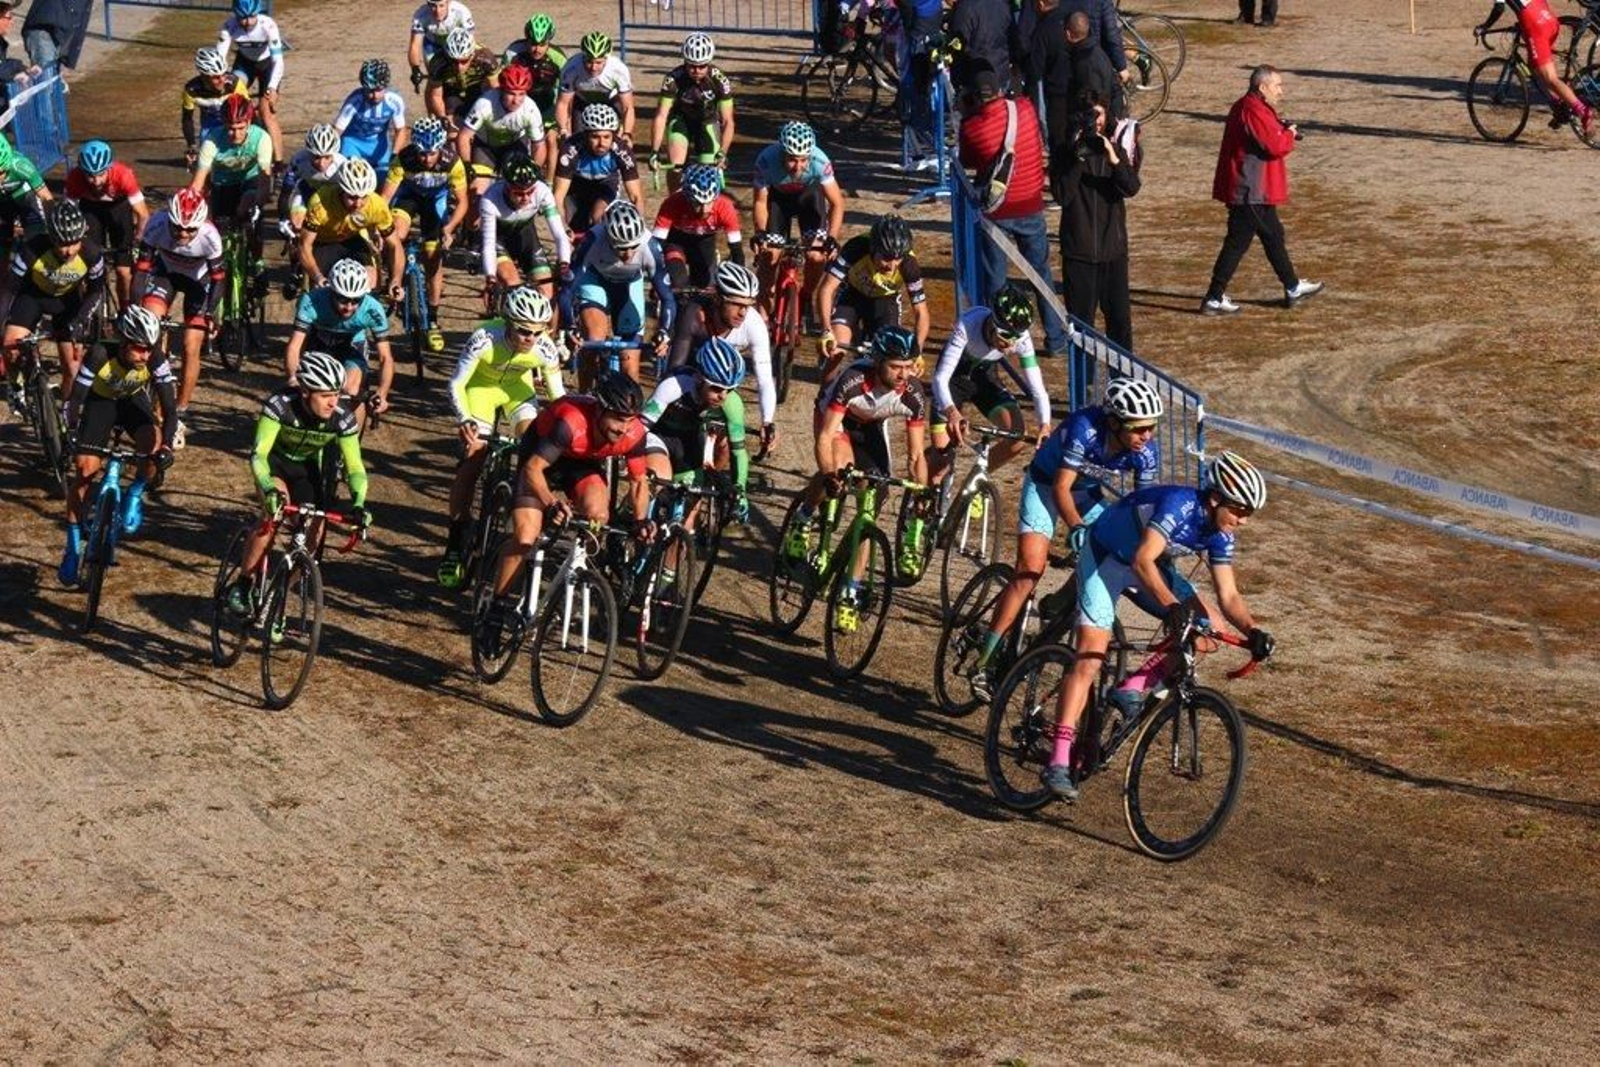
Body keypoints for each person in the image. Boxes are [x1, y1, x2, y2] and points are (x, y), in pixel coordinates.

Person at [1039, 450, 1274, 800]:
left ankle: (1131, 686)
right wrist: (1171, 606)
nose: (1243, 520)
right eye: (1239, 510)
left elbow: (1229, 595)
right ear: (1215, 499)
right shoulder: (1179, 506)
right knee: (1089, 659)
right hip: (1108, 558)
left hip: (1146, 570)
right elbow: (1142, 558)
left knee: (1206, 634)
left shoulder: (1221, 533)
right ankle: (1058, 760)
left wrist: (1253, 631)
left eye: (1249, 513)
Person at [966, 376, 1162, 699]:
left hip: (1086, 493)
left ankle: (1057, 603)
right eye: (1140, 428)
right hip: (1045, 486)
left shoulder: (1145, 451)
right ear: (1114, 423)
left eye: (1151, 427)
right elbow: (1059, 488)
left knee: (1104, 555)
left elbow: (1141, 510)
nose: (1147, 436)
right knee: (1029, 571)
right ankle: (984, 660)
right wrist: (1076, 527)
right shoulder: (1084, 428)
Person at [484, 372, 663, 619]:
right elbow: (533, 469)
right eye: (618, 419)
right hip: (540, 460)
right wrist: (550, 504)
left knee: (599, 515)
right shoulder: (571, 422)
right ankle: (495, 609)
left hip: (581, 465)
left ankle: (575, 575)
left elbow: (638, 482)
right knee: (526, 537)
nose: (623, 429)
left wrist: (641, 519)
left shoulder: (634, 433)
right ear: (600, 409)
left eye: (629, 420)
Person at [792, 324, 929, 633]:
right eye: (895, 367)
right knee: (840, 471)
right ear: (878, 361)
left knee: (871, 509)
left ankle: (849, 591)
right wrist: (829, 475)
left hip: (869, 428)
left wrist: (923, 493)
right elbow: (826, 437)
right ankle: (804, 517)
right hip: (835, 421)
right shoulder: (853, 380)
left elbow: (917, 456)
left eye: (908, 367)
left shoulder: (913, 394)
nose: (903, 374)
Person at [227, 350, 372, 616]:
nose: (333, 402)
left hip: (306, 470)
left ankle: (279, 598)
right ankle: (244, 582)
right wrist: (269, 488)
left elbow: (355, 469)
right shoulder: (280, 405)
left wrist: (360, 503)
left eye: (337, 394)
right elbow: (258, 455)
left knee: (313, 540)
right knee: (274, 515)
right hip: (275, 464)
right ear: (305, 391)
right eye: (325, 395)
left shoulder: (342, 417)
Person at [437, 285, 565, 587]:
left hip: (517, 394)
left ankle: (523, 512)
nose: (530, 339)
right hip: (479, 392)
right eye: (523, 331)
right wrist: (465, 419)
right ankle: (456, 541)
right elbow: (456, 384)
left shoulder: (544, 348)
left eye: (538, 331)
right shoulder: (484, 338)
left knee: (533, 449)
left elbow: (559, 401)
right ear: (508, 321)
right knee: (473, 457)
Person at [955, 67, 1070, 358]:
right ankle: (1056, 338)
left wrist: (967, 116)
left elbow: (968, 159)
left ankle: (997, 337)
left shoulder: (973, 128)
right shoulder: (1026, 109)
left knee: (996, 278)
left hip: (997, 211)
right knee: (1040, 273)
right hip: (1031, 203)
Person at [58, 305, 178, 584]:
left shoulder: (154, 357)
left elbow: (171, 410)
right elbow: (75, 398)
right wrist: (72, 432)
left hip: (132, 402)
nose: (144, 355)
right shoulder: (100, 353)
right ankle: (72, 548)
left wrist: (167, 448)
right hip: (100, 403)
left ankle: (135, 493)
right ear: (123, 342)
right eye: (138, 348)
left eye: (149, 349)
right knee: (85, 471)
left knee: (152, 442)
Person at [1201, 65, 1323, 315]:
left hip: (1252, 189)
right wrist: (1288, 135)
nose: (1281, 91)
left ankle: (1291, 286)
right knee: (1242, 243)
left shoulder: (1251, 106)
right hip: (1250, 189)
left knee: (1271, 236)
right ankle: (1214, 297)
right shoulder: (1252, 109)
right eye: (1277, 85)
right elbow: (1274, 145)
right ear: (1262, 87)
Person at [927, 282, 1051, 489]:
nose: (1010, 347)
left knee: (1017, 437)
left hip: (984, 379)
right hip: (953, 382)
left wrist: (1044, 424)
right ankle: (926, 502)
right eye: (1005, 339)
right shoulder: (968, 324)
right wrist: (951, 412)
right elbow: (940, 379)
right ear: (993, 325)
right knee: (940, 464)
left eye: (1015, 341)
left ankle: (975, 481)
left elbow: (1037, 388)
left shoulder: (1022, 338)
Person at [131, 188, 224, 446]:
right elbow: (141, 271)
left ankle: (180, 410)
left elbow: (218, 282)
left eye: (189, 230)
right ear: (169, 220)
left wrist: (210, 312)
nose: (183, 235)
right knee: (149, 323)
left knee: (190, 345)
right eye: (177, 229)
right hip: (166, 275)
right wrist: (135, 307)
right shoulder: (156, 226)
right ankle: (150, 379)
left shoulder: (210, 237)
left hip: (199, 282)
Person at [1052, 96, 1139, 349]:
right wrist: (1078, 157)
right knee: (1081, 326)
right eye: (1091, 116)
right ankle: (1084, 384)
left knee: (1120, 323)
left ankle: (1124, 379)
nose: (1096, 122)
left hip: (1113, 252)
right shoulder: (1063, 154)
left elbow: (1131, 187)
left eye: (1099, 115)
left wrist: (1112, 157)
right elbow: (1062, 195)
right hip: (1079, 254)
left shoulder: (1115, 151)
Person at [643, 335, 753, 529]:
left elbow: (738, 451)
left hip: (689, 443)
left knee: (688, 517)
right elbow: (641, 427)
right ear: (699, 378)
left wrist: (740, 491)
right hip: (659, 436)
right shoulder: (674, 386)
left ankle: (674, 553)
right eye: (717, 388)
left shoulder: (732, 403)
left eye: (730, 389)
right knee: (661, 479)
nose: (723, 396)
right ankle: (629, 513)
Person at [666, 262, 777, 452]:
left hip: (722, 382)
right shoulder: (695, 314)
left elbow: (765, 380)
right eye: (737, 304)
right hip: (693, 372)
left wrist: (767, 420)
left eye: (748, 306)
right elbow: (675, 368)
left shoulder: (754, 324)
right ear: (718, 299)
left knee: (724, 445)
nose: (743, 313)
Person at [383, 116, 468, 350]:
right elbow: (385, 198)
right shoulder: (404, 158)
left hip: (435, 203)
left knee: (433, 259)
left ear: (440, 148)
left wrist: (449, 229)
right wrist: (381, 230)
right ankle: (395, 277)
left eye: (432, 153)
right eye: (422, 153)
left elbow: (462, 203)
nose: (426, 159)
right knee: (396, 234)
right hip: (409, 198)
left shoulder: (453, 162)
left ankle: (432, 320)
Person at [0, 199, 103, 389]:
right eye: (62, 243)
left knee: (72, 369)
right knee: (10, 348)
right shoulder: (32, 249)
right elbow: (9, 289)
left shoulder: (92, 254)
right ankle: (15, 387)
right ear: (51, 237)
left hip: (67, 301)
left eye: (74, 242)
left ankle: (62, 413)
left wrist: (79, 320)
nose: (69, 250)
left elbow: (96, 291)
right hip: (33, 297)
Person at [568, 199, 674, 383]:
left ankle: (628, 408)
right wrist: (570, 326)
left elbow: (667, 298)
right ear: (608, 237)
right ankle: (585, 395)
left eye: (633, 247)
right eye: (621, 248)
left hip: (629, 284)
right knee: (593, 341)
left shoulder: (650, 247)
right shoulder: (593, 239)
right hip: (595, 281)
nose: (628, 254)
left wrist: (664, 331)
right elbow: (567, 290)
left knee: (630, 367)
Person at [815, 214, 929, 383]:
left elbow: (921, 312)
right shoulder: (856, 247)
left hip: (885, 302)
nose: (892, 266)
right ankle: (824, 399)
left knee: (888, 362)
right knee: (837, 351)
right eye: (886, 258)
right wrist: (826, 330)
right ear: (873, 249)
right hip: (852, 296)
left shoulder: (909, 264)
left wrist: (916, 351)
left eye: (897, 259)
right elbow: (827, 289)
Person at [749, 121, 845, 322]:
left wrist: (832, 238)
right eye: (792, 160)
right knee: (770, 255)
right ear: (782, 153)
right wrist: (760, 233)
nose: (798, 166)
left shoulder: (820, 161)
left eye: (803, 160)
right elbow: (760, 202)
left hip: (808, 199)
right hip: (778, 202)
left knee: (817, 256)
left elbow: (837, 203)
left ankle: (806, 294)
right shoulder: (766, 160)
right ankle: (763, 314)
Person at [283, 257, 394, 427]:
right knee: (311, 389)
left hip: (351, 348)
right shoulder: (312, 301)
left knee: (351, 390)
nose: (349, 307)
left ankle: (349, 441)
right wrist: (292, 378)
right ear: (331, 292)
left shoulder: (373, 309)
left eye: (356, 300)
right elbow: (295, 346)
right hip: (317, 345)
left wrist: (382, 393)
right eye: (343, 299)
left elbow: (385, 357)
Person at [188, 93, 273, 293]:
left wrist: (257, 206)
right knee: (218, 233)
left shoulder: (262, 138)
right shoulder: (212, 140)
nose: (234, 134)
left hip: (250, 182)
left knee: (248, 208)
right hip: (223, 186)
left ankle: (258, 261)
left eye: (240, 128)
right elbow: (198, 182)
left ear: (249, 122)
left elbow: (264, 181)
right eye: (230, 128)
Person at [298, 157, 404, 303]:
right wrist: (317, 276)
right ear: (341, 189)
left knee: (372, 283)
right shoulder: (320, 202)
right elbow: (304, 245)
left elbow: (395, 245)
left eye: (363, 197)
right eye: (352, 197)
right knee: (321, 293)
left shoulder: (377, 205)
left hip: (352, 240)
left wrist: (395, 280)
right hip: (323, 243)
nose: (358, 203)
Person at [1477, 1, 1593, 132]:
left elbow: (1499, 8)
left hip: (1536, 27)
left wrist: (1484, 27)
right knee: (1532, 67)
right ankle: (1558, 105)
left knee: (1550, 78)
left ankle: (1583, 110)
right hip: (1550, 20)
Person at [477, 150, 570, 305]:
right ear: (506, 187)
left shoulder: (543, 191)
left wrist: (564, 264)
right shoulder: (490, 199)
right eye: (519, 193)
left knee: (548, 295)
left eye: (530, 192)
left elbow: (559, 235)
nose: (526, 198)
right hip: (499, 242)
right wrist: (490, 278)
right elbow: (488, 244)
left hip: (527, 239)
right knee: (514, 287)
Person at [65, 140, 149, 307]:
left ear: (109, 168)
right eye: (90, 175)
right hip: (91, 210)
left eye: (100, 174)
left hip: (118, 208)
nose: (96, 182)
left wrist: (139, 238)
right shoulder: (74, 177)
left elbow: (143, 214)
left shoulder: (123, 175)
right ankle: (89, 307)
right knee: (87, 265)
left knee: (123, 271)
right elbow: (68, 212)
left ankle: (125, 308)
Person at [646, 33, 736, 185]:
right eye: (691, 66)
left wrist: (723, 152)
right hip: (681, 120)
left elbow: (728, 121)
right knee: (676, 167)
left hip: (707, 122)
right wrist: (654, 150)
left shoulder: (719, 80)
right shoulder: (673, 79)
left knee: (710, 172)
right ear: (684, 62)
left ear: (709, 62)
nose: (697, 70)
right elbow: (661, 116)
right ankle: (674, 202)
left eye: (702, 66)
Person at [216, 0, 286, 176]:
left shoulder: (268, 25)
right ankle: (240, 147)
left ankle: (279, 164)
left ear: (258, 12)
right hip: (244, 64)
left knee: (266, 112)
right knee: (235, 103)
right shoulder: (229, 26)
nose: (247, 22)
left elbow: (278, 61)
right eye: (242, 18)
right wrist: (221, 78)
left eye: (251, 17)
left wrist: (272, 87)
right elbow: (220, 57)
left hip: (268, 66)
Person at [550, 102, 645, 232]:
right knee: (572, 223)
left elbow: (636, 197)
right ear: (585, 135)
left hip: (606, 184)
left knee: (598, 217)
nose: (602, 143)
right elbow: (558, 196)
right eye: (595, 137)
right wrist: (564, 230)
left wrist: (639, 229)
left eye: (607, 137)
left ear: (614, 135)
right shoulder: (570, 149)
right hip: (577, 185)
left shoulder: (623, 151)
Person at [276, 124, 346, 297]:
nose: (321, 163)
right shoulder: (299, 160)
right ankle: (295, 268)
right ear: (308, 152)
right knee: (296, 226)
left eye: (326, 157)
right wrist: (283, 219)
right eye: (316, 157)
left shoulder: (343, 165)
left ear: (334, 153)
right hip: (306, 196)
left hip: (331, 202)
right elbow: (285, 194)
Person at [651, 162, 743, 292]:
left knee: (705, 289)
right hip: (677, 242)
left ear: (716, 197)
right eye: (697, 203)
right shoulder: (672, 203)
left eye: (708, 203)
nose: (703, 210)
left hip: (704, 243)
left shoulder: (725, 207)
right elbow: (656, 245)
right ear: (687, 197)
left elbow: (737, 250)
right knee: (679, 284)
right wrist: (658, 279)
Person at [456, 61, 544, 196]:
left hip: (514, 146)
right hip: (485, 147)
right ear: (501, 90)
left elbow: (539, 145)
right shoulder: (484, 103)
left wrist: (536, 169)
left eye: (521, 94)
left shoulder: (530, 109)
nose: (516, 100)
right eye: (511, 93)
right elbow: (464, 136)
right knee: (477, 192)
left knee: (518, 190)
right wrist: (467, 165)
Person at [502, 14, 566, 182]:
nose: (536, 49)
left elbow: (565, 95)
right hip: (521, 102)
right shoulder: (513, 52)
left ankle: (549, 183)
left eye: (542, 44)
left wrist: (564, 123)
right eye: (532, 44)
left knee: (552, 140)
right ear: (526, 40)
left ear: (549, 42)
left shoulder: (558, 58)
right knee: (518, 139)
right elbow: (501, 84)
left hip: (547, 104)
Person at [555, 32, 636, 145]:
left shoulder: (618, 69)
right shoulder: (571, 68)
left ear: (607, 58)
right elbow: (563, 103)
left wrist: (627, 134)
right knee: (579, 142)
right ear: (583, 55)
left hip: (611, 102)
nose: (593, 67)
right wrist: (563, 130)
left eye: (598, 62)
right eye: (589, 62)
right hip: (582, 102)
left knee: (613, 143)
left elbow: (628, 107)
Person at [181, 47, 251, 169]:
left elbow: (248, 111)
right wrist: (191, 145)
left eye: (223, 74)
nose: (222, 80)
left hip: (233, 121)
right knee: (207, 162)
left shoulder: (234, 83)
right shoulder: (191, 90)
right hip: (210, 125)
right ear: (204, 76)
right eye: (216, 77)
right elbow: (187, 119)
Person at [334, 59, 410, 173]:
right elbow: (337, 130)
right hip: (352, 142)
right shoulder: (354, 100)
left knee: (384, 177)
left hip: (379, 145)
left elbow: (401, 130)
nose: (375, 96)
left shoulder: (394, 100)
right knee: (353, 175)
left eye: (379, 90)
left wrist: (395, 154)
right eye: (370, 91)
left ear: (386, 86)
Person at [425, 27, 500, 125]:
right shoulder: (438, 63)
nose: (459, 67)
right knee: (451, 128)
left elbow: (495, 88)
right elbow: (435, 95)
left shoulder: (486, 58)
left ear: (472, 55)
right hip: (452, 90)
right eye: (454, 61)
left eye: (464, 61)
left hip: (477, 87)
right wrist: (442, 118)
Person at [1062, 10, 1120, 132]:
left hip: (1094, 127)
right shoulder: (1097, 51)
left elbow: (1092, 102)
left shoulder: (1083, 62)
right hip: (1109, 115)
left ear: (1068, 34)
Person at [945, 0, 1012, 94]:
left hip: (975, 77)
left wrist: (957, 82)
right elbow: (1011, 36)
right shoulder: (1003, 4)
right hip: (1000, 71)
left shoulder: (965, 7)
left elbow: (957, 47)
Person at [409, 0, 476, 88]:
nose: (438, 11)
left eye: (441, 6)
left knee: (462, 73)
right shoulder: (421, 15)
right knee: (435, 79)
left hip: (456, 44)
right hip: (433, 45)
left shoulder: (462, 11)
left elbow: (470, 40)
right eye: (433, 6)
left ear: (448, 3)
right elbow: (415, 45)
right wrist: (415, 68)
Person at [21, 0, 90, 72]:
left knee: (51, 78)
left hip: (60, 37)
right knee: (46, 77)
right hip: (43, 30)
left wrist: (71, 60)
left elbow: (82, 21)